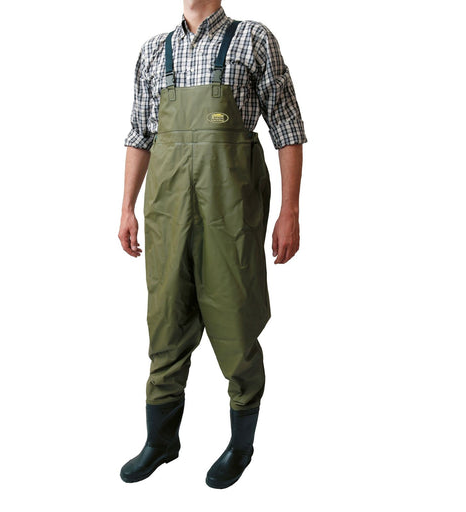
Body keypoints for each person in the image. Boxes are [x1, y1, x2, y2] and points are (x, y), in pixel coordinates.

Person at [118, 0, 307, 488]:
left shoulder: (253, 39)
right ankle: (161, 441)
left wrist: (289, 211)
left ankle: (240, 446)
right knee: (165, 323)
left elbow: (287, 127)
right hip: (167, 215)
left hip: (231, 216)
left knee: (236, 328)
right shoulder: (153, 51)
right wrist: (126, 207)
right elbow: (140, 134)